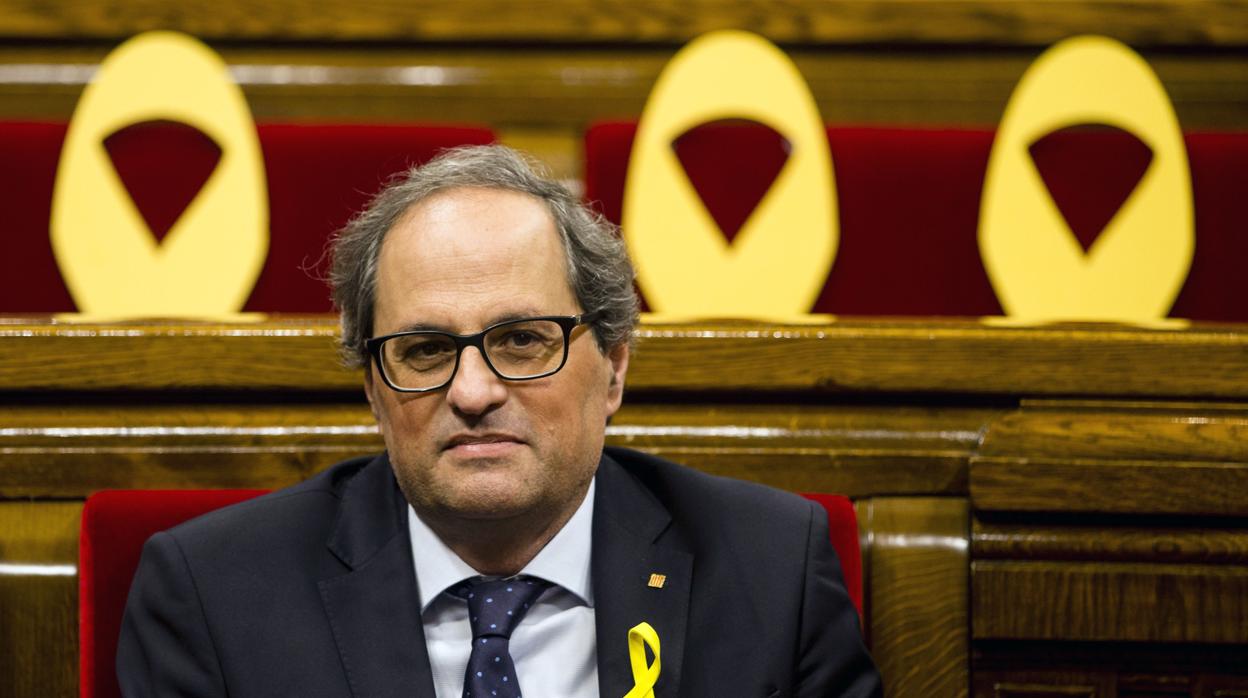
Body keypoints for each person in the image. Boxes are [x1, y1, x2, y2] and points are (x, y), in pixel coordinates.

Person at [117, 144, 882, 697]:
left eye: (522, 341)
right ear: (374, 389)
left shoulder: (771, 570)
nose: (474, 391)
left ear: (613, 366)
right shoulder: (214, 594)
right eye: (424, 350)